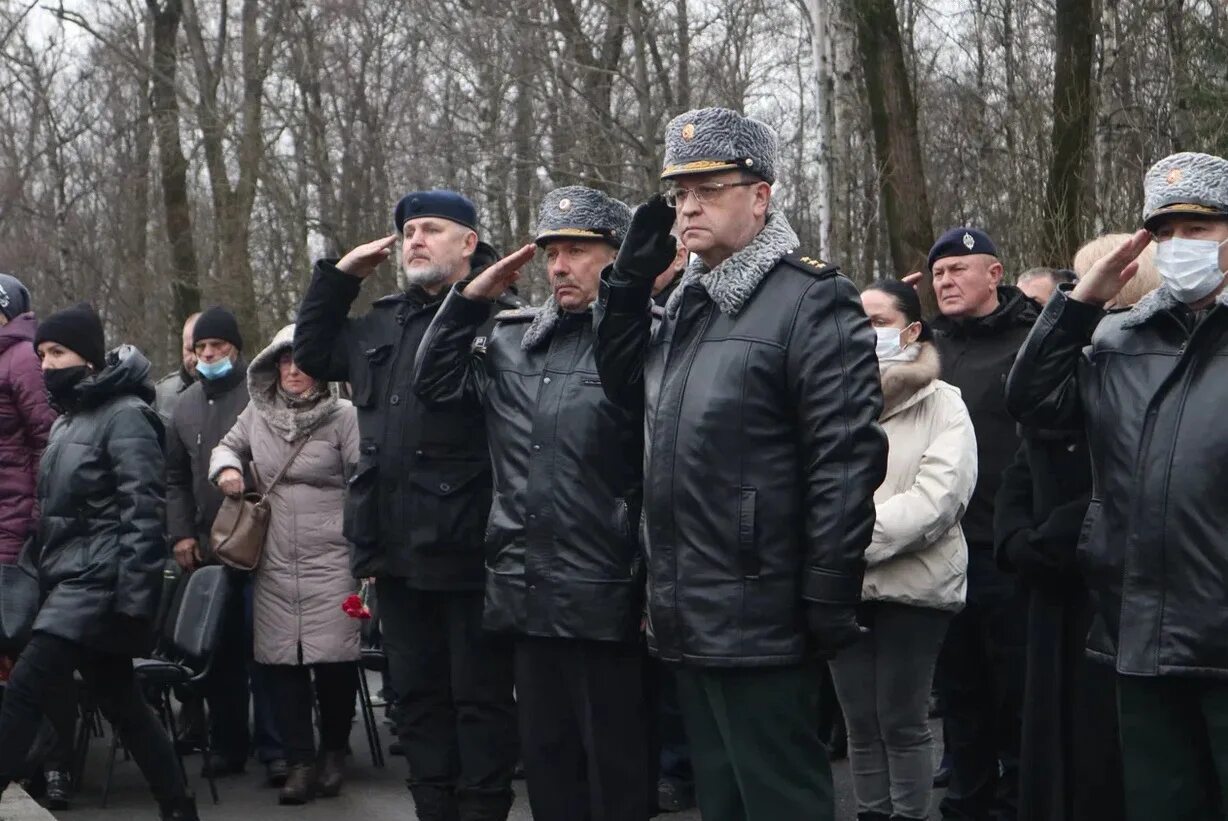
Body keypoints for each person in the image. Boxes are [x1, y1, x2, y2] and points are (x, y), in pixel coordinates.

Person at [595, 107, 887, 821]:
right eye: (678, 194)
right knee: (722, 798)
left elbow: (845, 459)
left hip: (764, 607)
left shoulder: (811, 299)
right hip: (688, 603)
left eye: (709, 188)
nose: (688, 206)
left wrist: (826, 588)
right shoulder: (686, 303)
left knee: (778, 796)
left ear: (760, 196)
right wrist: (627, 285)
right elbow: (619, 383)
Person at [413, 186, 651, 821]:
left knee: (617, 770)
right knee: (548, 768)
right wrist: (469, 302)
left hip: (607, 589)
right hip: (525, 589)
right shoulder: (515, 339)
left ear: (617, 259)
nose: (560, 267)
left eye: (578, 250)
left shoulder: (644, 342)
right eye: (551, 253)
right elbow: (433, 384)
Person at [1005, 151, 1228, 820]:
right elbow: (1033, 400)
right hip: (1140, 631)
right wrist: (1080, 303)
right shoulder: (1120, 337)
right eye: (1164, 231)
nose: (1179, 246)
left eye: (1199, 229)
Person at [294, 190, 519, 821]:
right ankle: (433, 809)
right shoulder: (381, 321)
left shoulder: (499, 315)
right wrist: (339, 279)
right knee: (415, 698)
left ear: (469, 243)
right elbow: (312, 353)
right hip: (392, 546)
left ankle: (481, 810)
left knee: (478, 697)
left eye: (433, 229)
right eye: (409, 230)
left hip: (468, 544)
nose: (416, 239)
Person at [0, 303, 198, 820]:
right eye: (41, 353)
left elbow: (143, 514)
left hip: (97, 586)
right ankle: (179, 809)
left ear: (88, 359)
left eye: (57, 352)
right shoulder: (68, 423)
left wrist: (135, 603)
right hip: (69, 584)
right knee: (126, 708)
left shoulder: (127, 416)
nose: (45, 364)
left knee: (22, 691)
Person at [831, 279, 977, 821]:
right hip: (842, 585)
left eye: (877, 323)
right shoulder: (832, 399)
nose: (864, 335)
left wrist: (848, 541)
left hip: (913, 586)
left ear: (912, 331)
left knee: (901, 720)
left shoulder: (944, 404)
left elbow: (940, 497)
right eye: (856, 323)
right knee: (859, 725)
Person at [209, 324, 360, 805]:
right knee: (281, 664)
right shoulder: (257, 413)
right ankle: (299, 761)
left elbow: (365, 481)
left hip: (332, 555)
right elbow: (226, 446)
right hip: (273, 557)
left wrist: (366, 551)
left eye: (303, 361)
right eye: (284, 361)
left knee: (334, 661)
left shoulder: (345, 417)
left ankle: (334, 750)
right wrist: (228, 469)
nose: (293, 370)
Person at [926, 227, 1038, 821]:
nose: (946, 282)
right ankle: (966, 803)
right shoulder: (929, 347)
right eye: (939, 274)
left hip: (1004, 548)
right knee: (960, 693)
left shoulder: (1031, 339)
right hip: (941, 549)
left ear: (994, 274)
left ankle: (1020, 801)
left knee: (1016, 690)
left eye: (959, 270)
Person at [166, 306, 286, 784]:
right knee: (217, 650)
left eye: (217, 346)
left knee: (266, 649)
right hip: (207, 546)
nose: (208, 354)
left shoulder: (259, 393)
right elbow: (173, 477)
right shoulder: (183, 405)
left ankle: (276, 747)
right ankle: (228, 743)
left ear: (236, 348)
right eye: (200, 348)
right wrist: (179, 533)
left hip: (261, 542)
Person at [0, 274, 70, 807]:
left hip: (18, 530)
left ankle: (53, 766)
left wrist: (40, 522)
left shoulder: (23, 358)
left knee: (31, 652)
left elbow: (50, 441)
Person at [154, 313, 200, 422]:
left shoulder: (237, 391)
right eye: (189, 350)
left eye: (199, 349)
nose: (194, 358)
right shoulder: (161, 393)